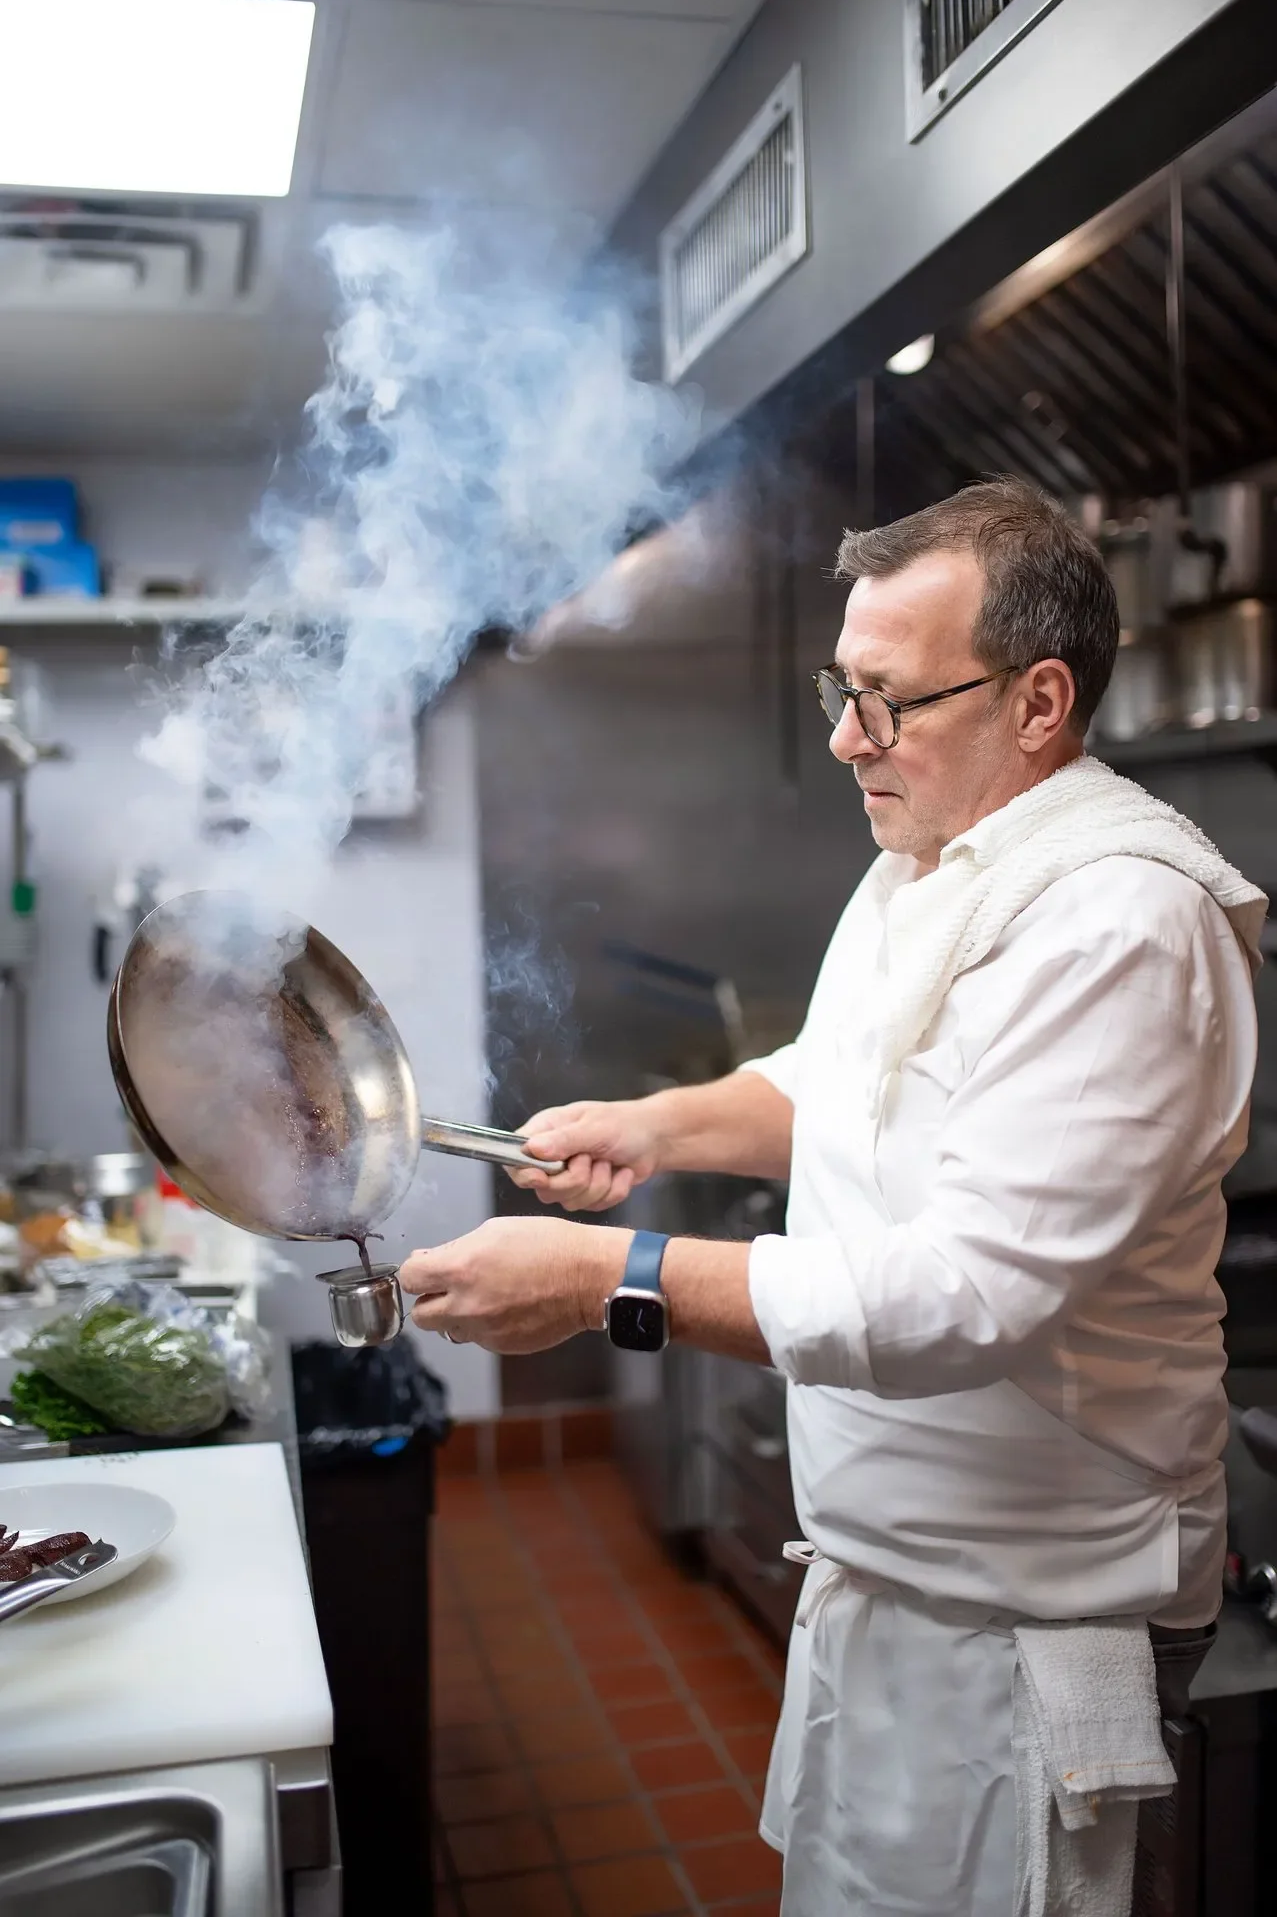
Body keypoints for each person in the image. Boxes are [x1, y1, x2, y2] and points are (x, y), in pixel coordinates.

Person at [400, 477, 1266, 1916]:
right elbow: (836, 1079)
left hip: (1033, 1628)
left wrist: (611, 1281)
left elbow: (961, 1299)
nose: (842, 736)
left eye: (887, 699)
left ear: (1039, 702)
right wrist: (653, 1121)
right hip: (899, 1595)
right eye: (837, 687)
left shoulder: (1122, 921)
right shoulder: (927, 858)